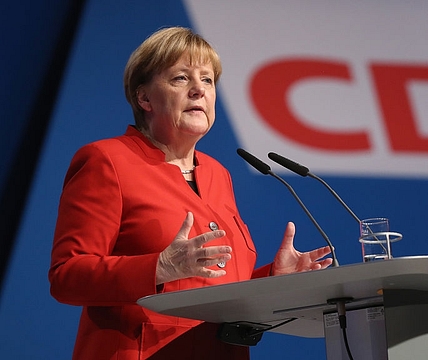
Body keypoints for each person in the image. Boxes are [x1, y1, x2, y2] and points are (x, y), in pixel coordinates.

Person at [48, 26, 333, 360]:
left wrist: (272, 279)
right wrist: (158, 268)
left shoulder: (217, 174)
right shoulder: (107, 161)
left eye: (208, 80)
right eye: (181, 78)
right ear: (144, 98)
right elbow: (66, 276)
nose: (199, 90)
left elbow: (208, 282)